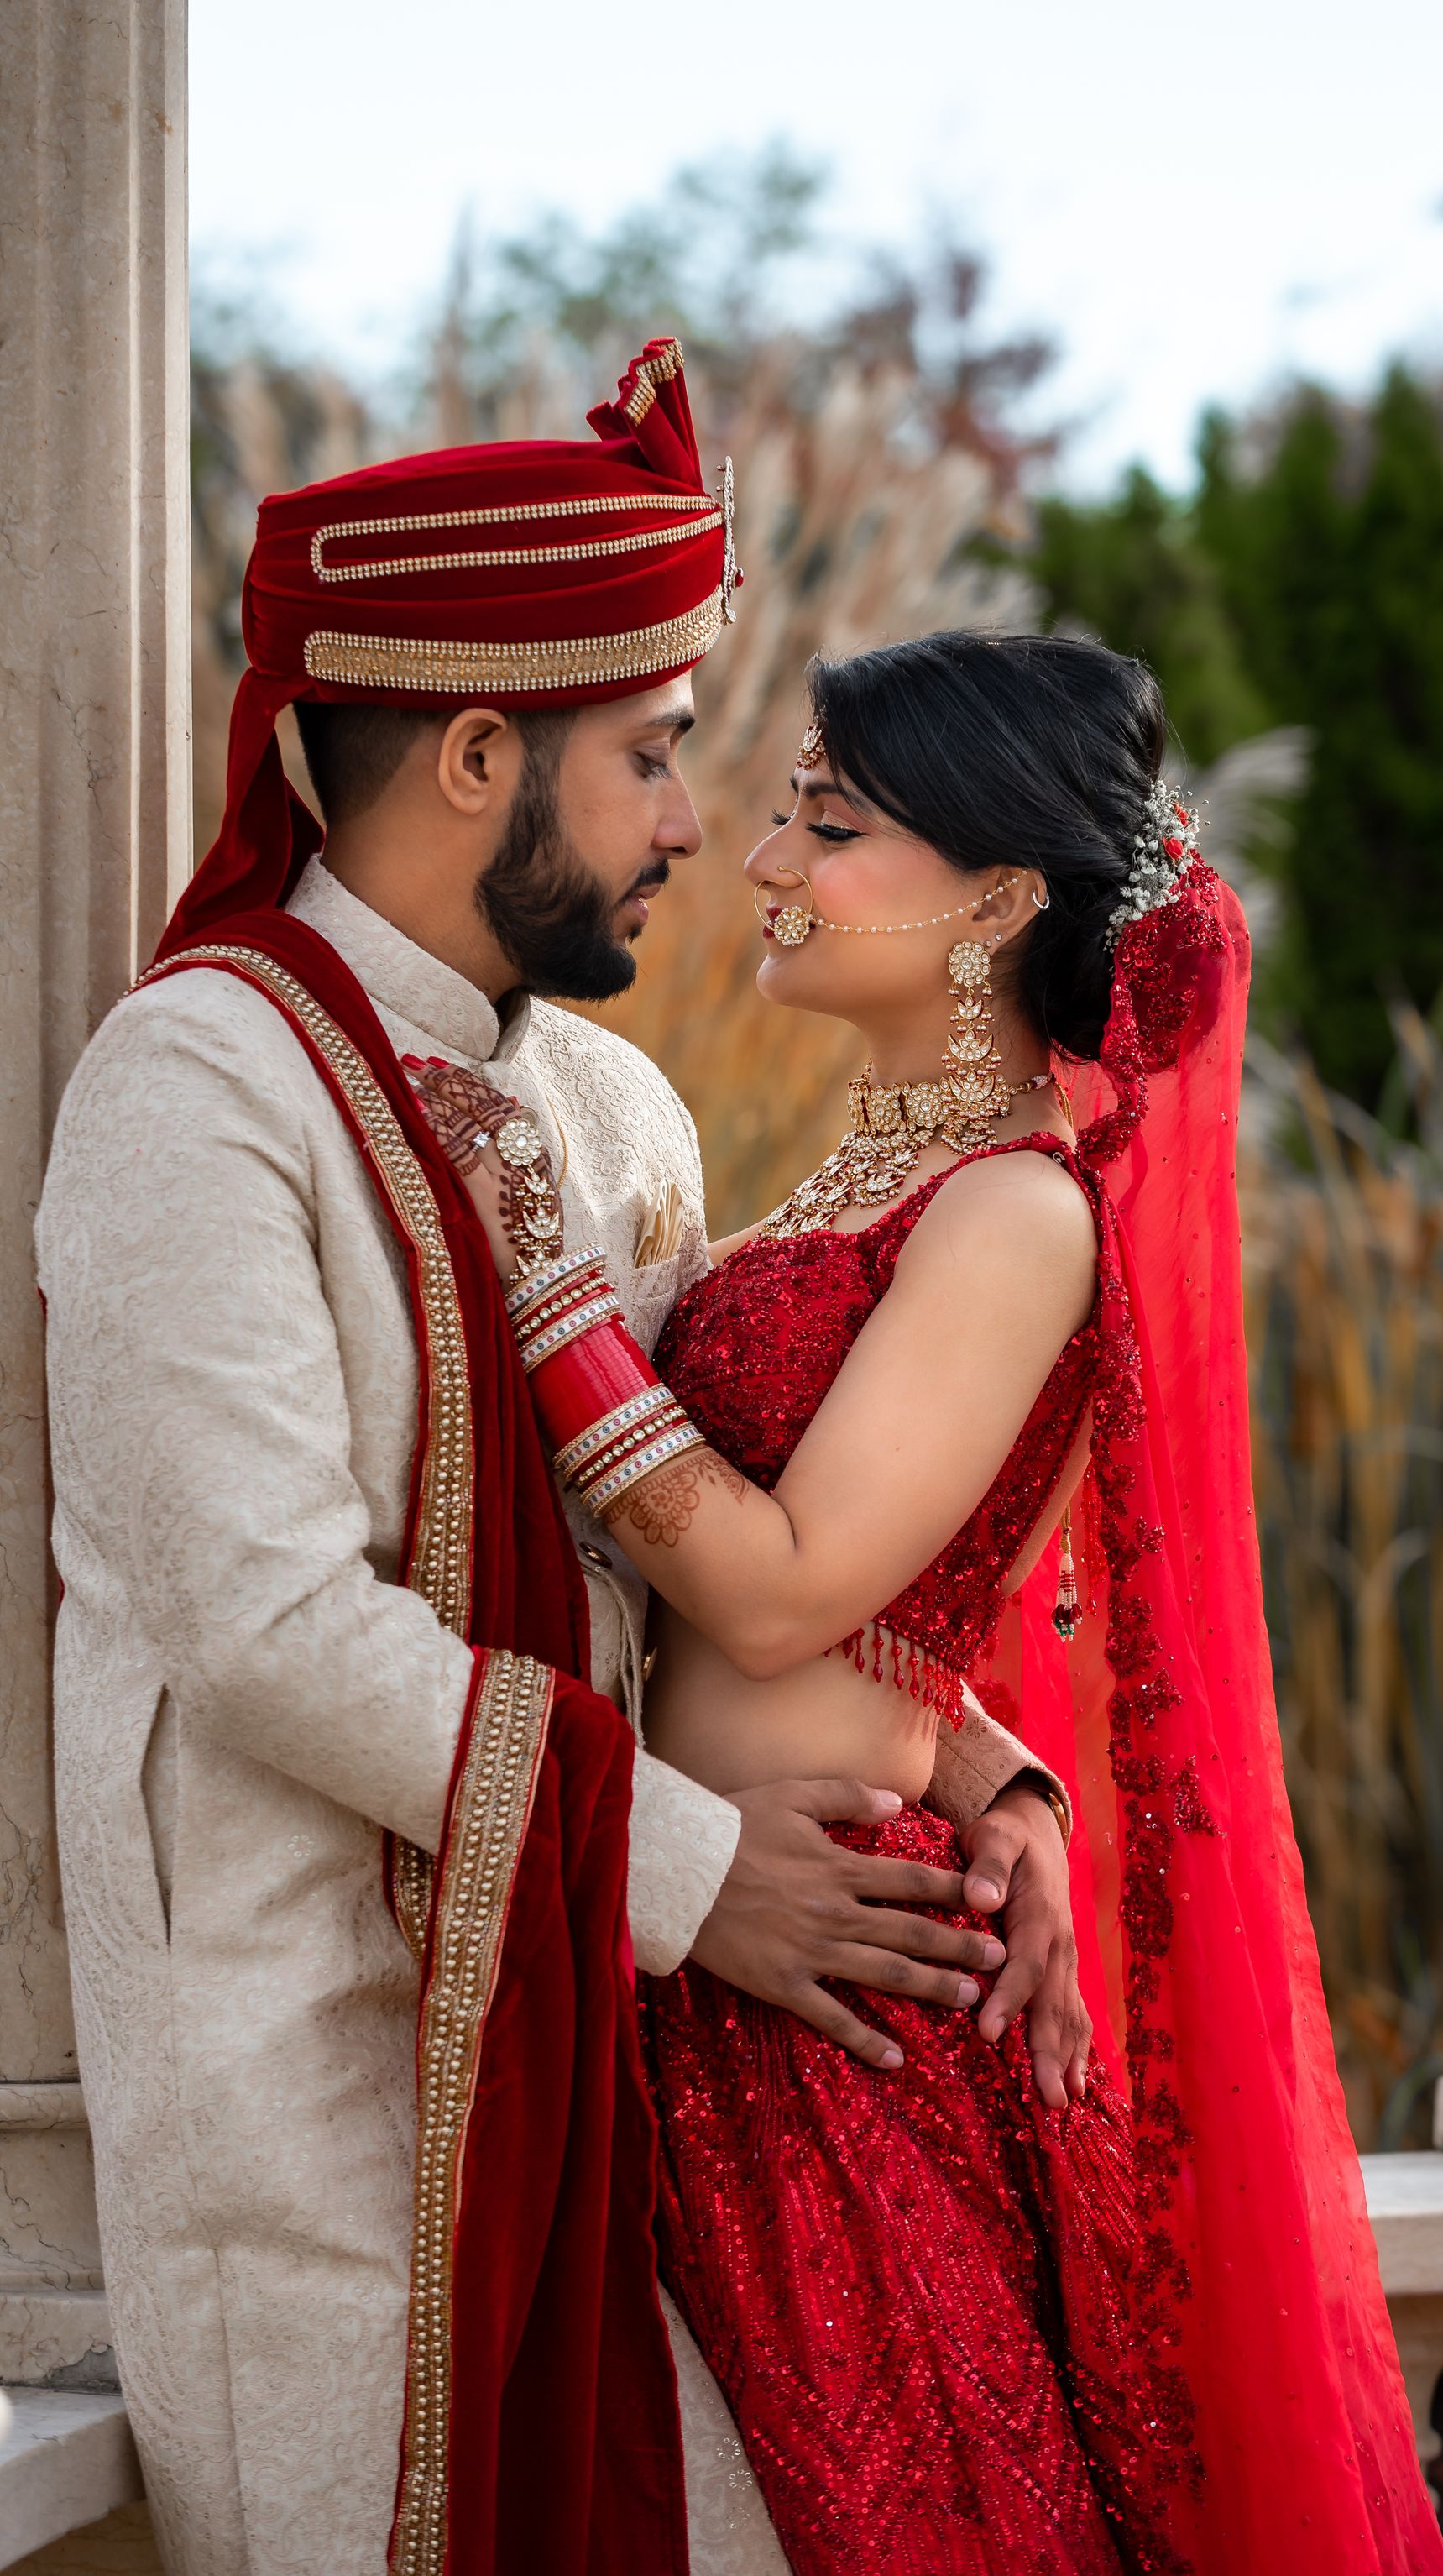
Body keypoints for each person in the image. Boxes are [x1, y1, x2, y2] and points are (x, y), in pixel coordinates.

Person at [35, 348, 1080, 2576]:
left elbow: (729, 1549)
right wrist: (710, 1874)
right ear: (481, 749)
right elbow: (260, 1622)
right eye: (655, 755)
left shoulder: (618, 1117)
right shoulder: (196, 1089)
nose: (698, 823)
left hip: (638, 2097)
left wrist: (992, 1772)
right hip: (332, 2127)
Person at [437, 631, 1443, 2576]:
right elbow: (890, 1616)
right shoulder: (859, 1181)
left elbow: (776, 1592)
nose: (762, 860)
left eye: (827, 821)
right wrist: (1011, 1779)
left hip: (839, 2000)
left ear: (995, 897)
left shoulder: (1015, 1209)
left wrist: (547, 1288)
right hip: (757, 1937)